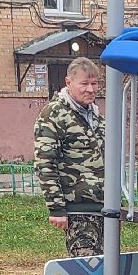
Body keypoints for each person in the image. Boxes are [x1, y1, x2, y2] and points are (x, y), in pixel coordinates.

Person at [34, 58, 105, 257]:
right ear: (68, 83)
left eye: (94, 83)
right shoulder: (54, 114)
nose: (91, 89)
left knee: (109, 273)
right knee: (87, 271)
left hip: (105, 209)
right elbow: (45, 163)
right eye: (84, 84)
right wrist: (57, 208)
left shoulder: (95, 115)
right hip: (78, 209)